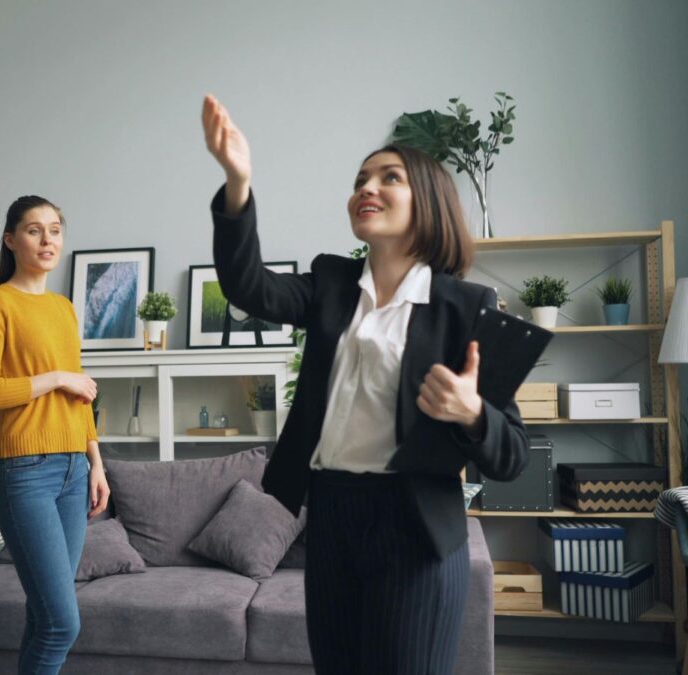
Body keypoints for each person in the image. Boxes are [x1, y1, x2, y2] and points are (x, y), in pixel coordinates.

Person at [201, 95, 529, 675]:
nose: (366, 188)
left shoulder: (465, 307)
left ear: (427, 202)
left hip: (415, 524)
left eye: (388, 177)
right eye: (360, 179)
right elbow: (248, 286)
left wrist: (473, 412)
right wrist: (237, 181)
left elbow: (512, 456)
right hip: (330, 516)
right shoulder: (331, 283)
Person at [0, 195, 110, 674]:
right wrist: (55, 378)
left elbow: (81, 395)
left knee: (45, 614)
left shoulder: (64, 308)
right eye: (34, 230)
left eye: (55, 229)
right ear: (11, 240)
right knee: (61, 623)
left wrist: (96, 463)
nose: (47, 240)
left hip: (72, 470)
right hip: (25, 474)